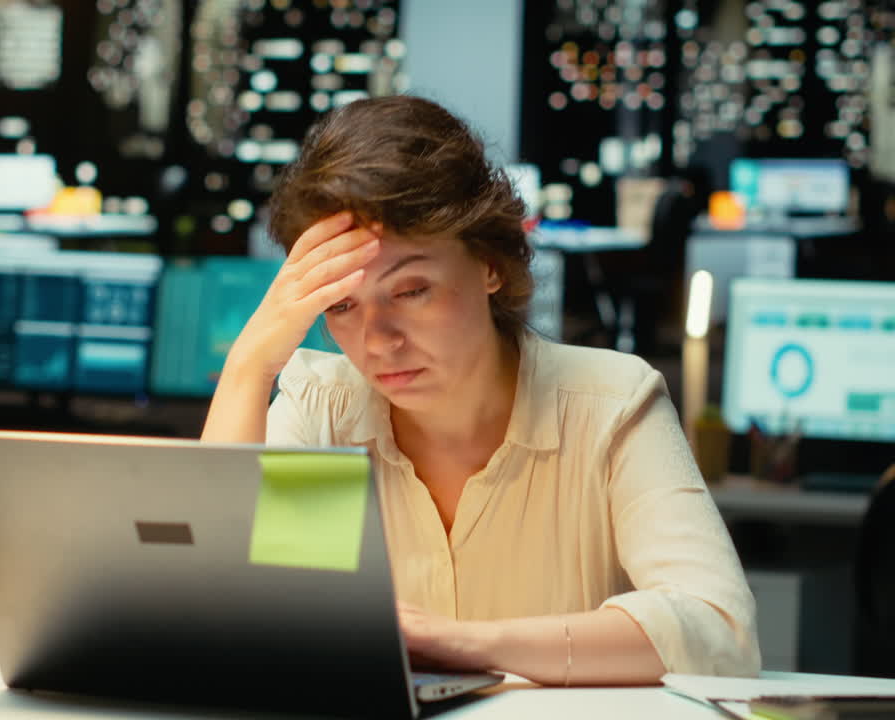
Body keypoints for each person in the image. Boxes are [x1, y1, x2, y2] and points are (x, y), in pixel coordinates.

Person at [200, 95, 760, 685]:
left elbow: (719, 631)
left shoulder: (607, 407)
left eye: (411, 289)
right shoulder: (326, 411)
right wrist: (250, 365)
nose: (378, 341)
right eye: (340, 304)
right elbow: (225, 623)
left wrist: (464, 645)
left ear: (490, 264)